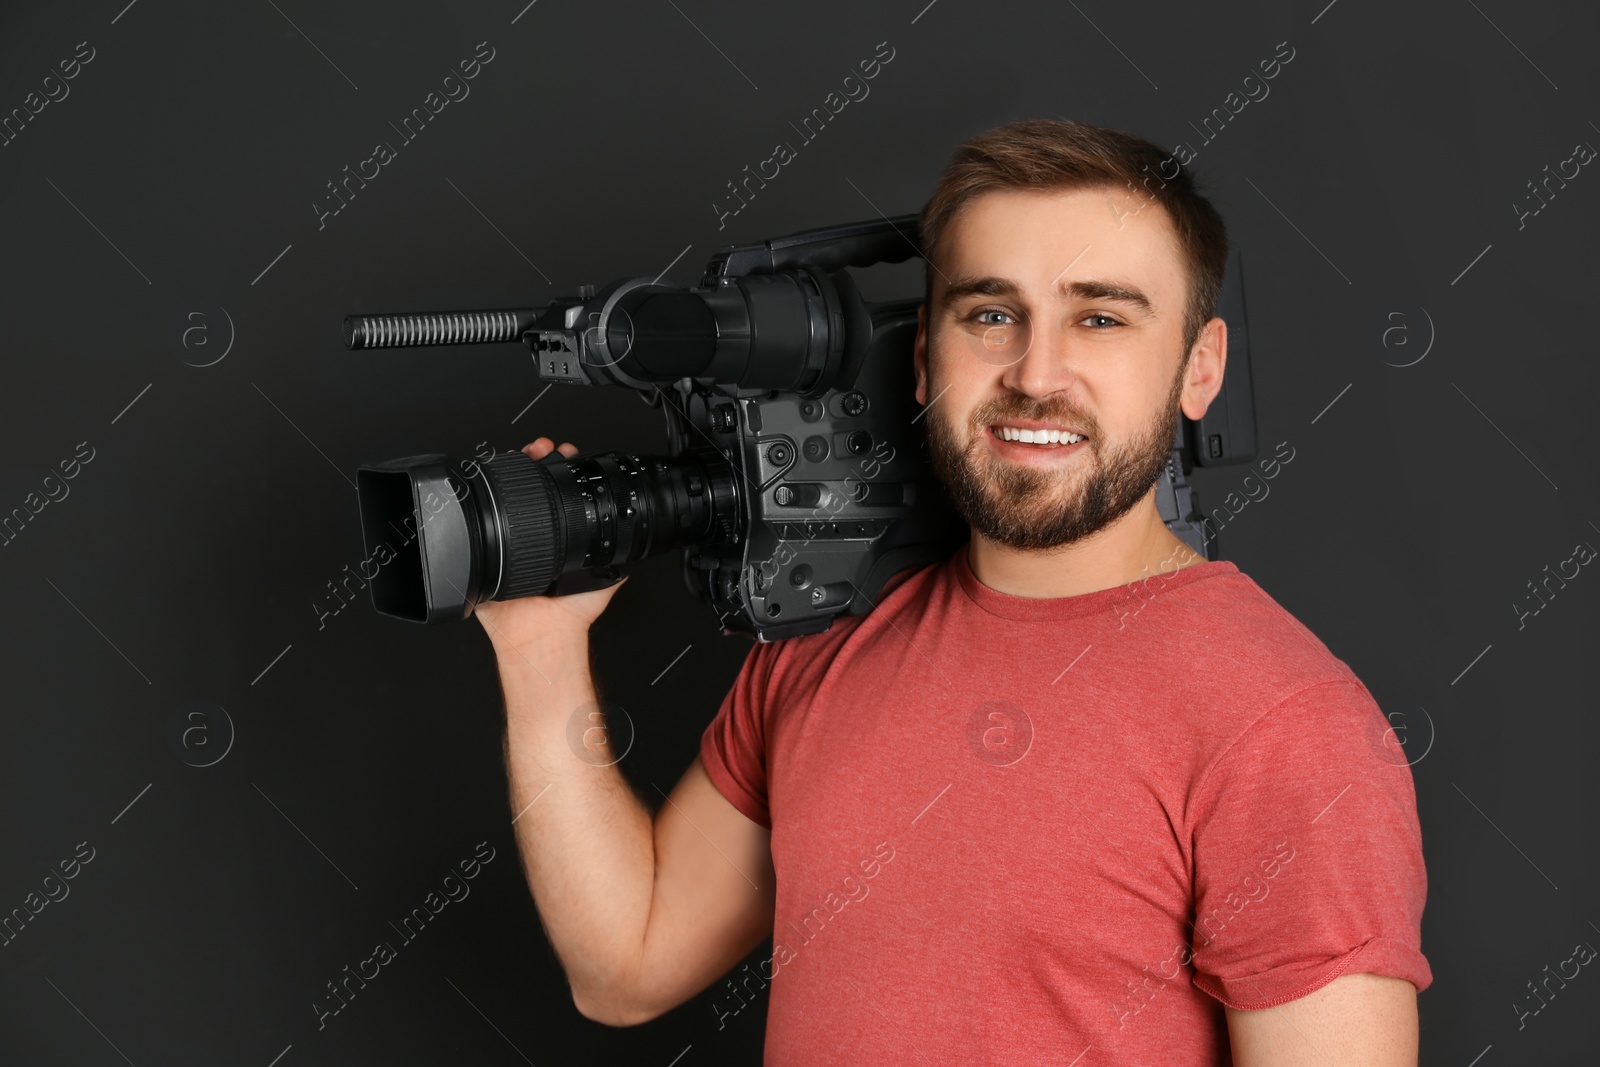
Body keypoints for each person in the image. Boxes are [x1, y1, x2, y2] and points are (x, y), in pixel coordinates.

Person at [474, 117, 1431, 1066]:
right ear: (927, 358)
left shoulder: (1288, 729)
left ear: (1200, 367)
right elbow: (626, 965)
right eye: (991, 314)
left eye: (1100, 317)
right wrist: (540, 650)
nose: (1037, 373)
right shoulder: (824, 640)